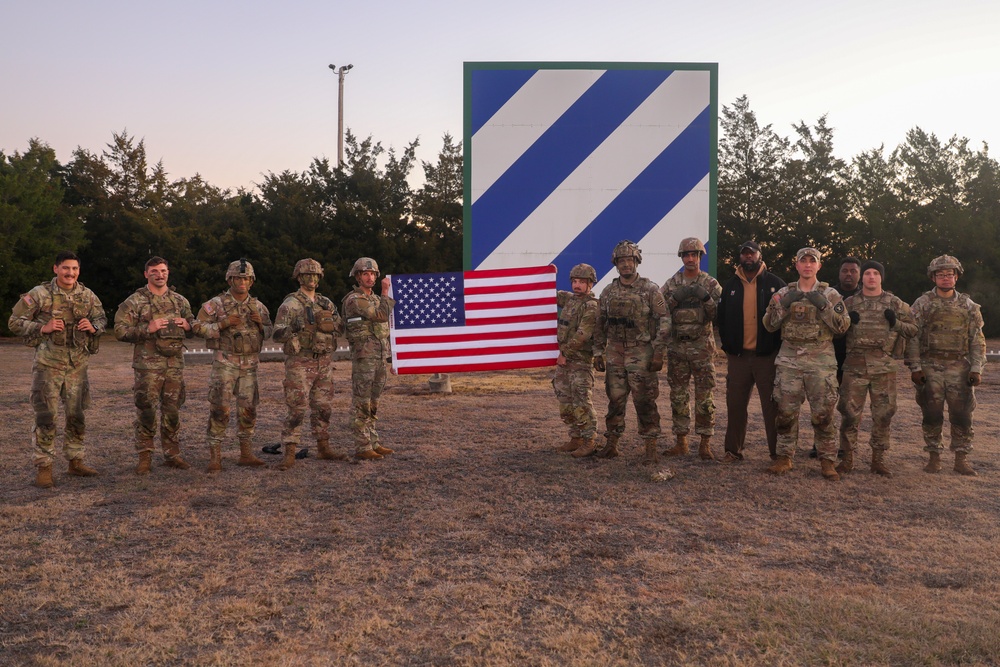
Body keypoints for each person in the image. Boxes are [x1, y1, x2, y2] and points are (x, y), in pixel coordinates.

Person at [8, 250, 106, 488]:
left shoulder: (87, 295)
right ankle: (44, 466)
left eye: (74, 269)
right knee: (46, 416)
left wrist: (92, 326)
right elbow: (14, 322)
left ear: (78, 271)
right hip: (48, 365)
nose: (70, 273)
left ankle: (75, 461)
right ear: (56, 269)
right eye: (65, 268)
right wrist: (43, 328)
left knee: (77, 415)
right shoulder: (39, 294)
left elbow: (102, 319)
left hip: (77, 366)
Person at [763, 247, 850, 480]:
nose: (808, 265)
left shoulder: (830, 294)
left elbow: (842, 327)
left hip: (820, 363)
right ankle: (784, 457)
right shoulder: (783, 292)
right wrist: (782, 305)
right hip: (789, 362)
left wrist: (824, 306)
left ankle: (827, 461)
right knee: (785, 412)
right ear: (797, 265)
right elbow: (769, 325)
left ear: (819, 266)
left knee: (823, 415)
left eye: (813, 261)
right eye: (804, 261)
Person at [113, 256, 196, 474]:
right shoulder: (135, 302)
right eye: (154, 271)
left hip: (174, 365)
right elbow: (120, 331)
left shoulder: (180, 301)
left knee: (172, 411)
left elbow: (195, 324)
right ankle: (145, 456)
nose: (160, 275)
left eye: (163, 271)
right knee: (146, 410)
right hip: (147, 367)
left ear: (168, 272)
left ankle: (172, 454)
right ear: (146, 274)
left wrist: (188, 325)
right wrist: (146, 329)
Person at [905, 255, 986, 476]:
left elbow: (976, 340)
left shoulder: (968, 306)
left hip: (959, 367)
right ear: (933, 277)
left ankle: (961, 458)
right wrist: (915, 368)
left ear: (956, 277)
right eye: (941, 275)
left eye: (950, 274)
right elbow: (912, 337)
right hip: (930, 366)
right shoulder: (922, 304)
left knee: (962, 415)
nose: (946, 278)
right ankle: (934, 457)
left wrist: (976, 368)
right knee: (931, 413)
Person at [591, 240, 671, 461]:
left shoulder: (650, 289)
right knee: (615, 399)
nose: (626, 264)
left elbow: (664, 320)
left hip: (641, 352)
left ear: (636, 262)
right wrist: (598, 352)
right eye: (621, 261)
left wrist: (658, 352)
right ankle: (612, 443)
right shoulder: (608, 291)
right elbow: (600, 322)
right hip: (615, 352)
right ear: (616, 264)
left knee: (644, 399)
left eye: (629, 260)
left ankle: (651, 447)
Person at [836, 260, 916, 477]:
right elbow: (834, 330)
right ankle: (847, 459)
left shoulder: (895, 303)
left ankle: (878, 460)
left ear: (881, 278)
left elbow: (913, 329)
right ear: (862, 278)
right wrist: (845, 322)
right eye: (868, 273)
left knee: (883, 414)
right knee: (849, 414)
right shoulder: (849, 302)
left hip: (884, 368)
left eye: (875, 274)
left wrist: (896, 323)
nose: (871, 277)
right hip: (855, 366)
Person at [193, 259, 273, 473]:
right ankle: (215, 457)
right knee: (220, 409)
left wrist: (260, 324)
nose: (241, 282)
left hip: (250, 366)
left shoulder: (258, 306)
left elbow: (271, 331)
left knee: (248, 409)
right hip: (225, 364)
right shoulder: (216, 304)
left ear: (251, 281)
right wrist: (222, 324)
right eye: (237, 278)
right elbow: (197, 326)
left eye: (246, 278)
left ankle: (245, 454)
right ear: (229, 279)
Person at [271, 258, 347, 469]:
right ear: (299, 278)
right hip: (300, 363)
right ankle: (289, 451)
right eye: (306, 275)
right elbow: (276, 333)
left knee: (323, 407)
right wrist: (296, 327)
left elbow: (340, 327)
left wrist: (330, 323)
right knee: (297, 409)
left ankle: (323, 447)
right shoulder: (290, 304)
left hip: (324, 362)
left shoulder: (326, 303)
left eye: (315, 275)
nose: (311, 279)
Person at [717, 241, 786, 463]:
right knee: (735, 405)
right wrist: (728, 346)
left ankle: (777, 453)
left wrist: (776, 349)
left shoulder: (776, 284)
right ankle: (732, 451)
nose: (748, 257)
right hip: (738, 357)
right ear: (740, 257)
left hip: (766, 356)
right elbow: (722, 318)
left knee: (772, 407)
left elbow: (785, 319)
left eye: (752, 253)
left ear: (759, 255)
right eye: (744, 253)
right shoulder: (730, 285)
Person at [661, 238, 722, 461]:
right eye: (686, 255)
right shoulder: (671, 284)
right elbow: (660, 312)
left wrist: (705, 298)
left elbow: (718, 316)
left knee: (705, 397)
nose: (690, 259)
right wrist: (672, 301)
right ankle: (681, 442)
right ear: (681, 257)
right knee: (678, 395)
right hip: (677, 348)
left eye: (694, 255)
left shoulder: (710, 284)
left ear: (699, 257)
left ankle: (705, 442)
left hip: (702, 348)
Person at [342, 257, 395, 461]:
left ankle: (373, 441)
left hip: (380, 357)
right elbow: (381, 315)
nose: (370, 277)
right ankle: (362, 445)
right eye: (366, 274)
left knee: (374, 402)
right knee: (362, 402)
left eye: (373, 274)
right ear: (357, 276)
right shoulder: (355, 300)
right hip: (365, 358)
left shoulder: (373, 298)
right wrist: (385, 292)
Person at [812, 256, 863, 459]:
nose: (848, 274)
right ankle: (821, 445)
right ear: (839, 273)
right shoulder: (829, 295)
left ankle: (846, 447)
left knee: (850, 407)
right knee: (825, 405)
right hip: (830, 357)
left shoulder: (866, 296)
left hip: (856, 360)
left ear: (859, 274)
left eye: (853, 271)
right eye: (845, 271)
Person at [552, 263, 600, 457]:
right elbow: (548, 293)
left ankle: (590, 441)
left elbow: (582, 335)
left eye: (582, 282)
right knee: (565, 401)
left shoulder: (591, 306)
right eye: (575, 281)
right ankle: (576, 438)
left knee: (581, 402)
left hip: (580, 362)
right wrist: (547, 275)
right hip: (566, 363)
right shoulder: (570, 300)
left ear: (590, 284)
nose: (577, 285)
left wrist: (564, 354)